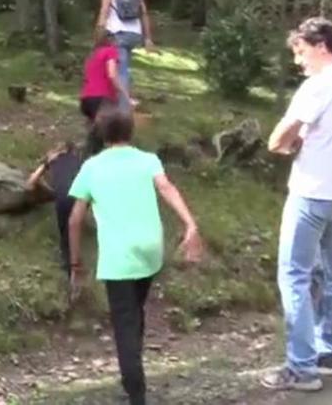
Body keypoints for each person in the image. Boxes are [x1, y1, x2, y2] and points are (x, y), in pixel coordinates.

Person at [67, 103, 204, 405]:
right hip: (149, 250)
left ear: (101, 133)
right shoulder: (147, 160)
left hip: (119, 256)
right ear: (131, 130)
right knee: (135, 311)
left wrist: (75, 262)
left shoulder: (91, 167)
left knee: (125, 323)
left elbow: (75, 219)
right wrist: (190, 223)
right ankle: (133, 371)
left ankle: (136, 392)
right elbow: (167, 189)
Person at [261, 17, 332, 392]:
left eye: (301, 51)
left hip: (312, 191)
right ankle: (328, 354)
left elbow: (279, 136)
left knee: (294, 274)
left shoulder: (319, 85)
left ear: (321, 45)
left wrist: (283, 144)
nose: (298, 61)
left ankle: (302, 367)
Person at [95, 0, 155, 112]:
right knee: (124, 68)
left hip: (117, 33)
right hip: (134, 33)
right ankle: (120, 104)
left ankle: (123, 113)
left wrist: (100, 29)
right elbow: (143, 12)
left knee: (118, 72)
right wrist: (148, 38)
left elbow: (105, 9)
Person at [26, 141, 84, 276]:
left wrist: (46, 166)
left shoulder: (52, 160)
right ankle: (76, 264)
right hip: (80, 197)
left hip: (63, 197)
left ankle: (71, 272)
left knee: (66, 239)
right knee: (74, 230)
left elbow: (30, 183)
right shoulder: (79, 161)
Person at [80, 30, 131, 155]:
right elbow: (112, 74)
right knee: (108, 133)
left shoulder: (92, 55)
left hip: (86, 99)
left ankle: (86, 159)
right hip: (102, 98)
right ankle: (95, 160)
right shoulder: (110, 51)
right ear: (111, 40)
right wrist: (125, 94)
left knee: (96, 134)